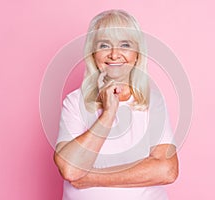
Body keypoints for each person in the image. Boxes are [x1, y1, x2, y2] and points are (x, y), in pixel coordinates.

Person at [54, 9, 178, 200]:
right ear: (93, 53)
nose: (114, 54)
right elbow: (70, 170)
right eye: (104, 45)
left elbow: (166, 170)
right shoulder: (74, 102)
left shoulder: (152, 101)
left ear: (137, 54)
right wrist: (108, 114)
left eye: (125, 45)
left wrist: (93, 177)